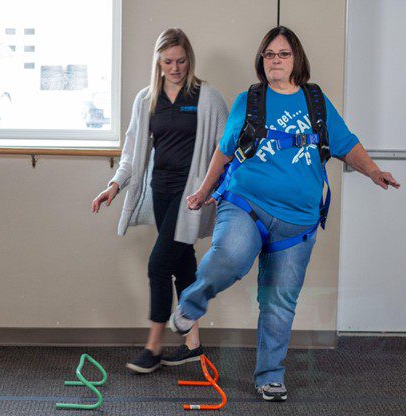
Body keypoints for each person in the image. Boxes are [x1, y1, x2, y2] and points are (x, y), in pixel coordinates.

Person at [169, 26, 400, 400]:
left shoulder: (316, 101)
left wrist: (374, 171)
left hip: (298, 223)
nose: (275, 60)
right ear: (262, 61)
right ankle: (192, 304)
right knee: (229, 256)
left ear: (297, 60)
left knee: (279, 302)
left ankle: (270, 376)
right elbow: (225, 150)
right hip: (247, 204)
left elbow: (345, 143)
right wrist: (203, 190)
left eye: (283, 54)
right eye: (269, 54)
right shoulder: (250, 99)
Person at [92, 28, 228, 374]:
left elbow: (224, 149)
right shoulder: (146, 100)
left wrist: (212, 190)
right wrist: (114, 186)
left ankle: (153, 347)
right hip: (161, 191)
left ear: (189, 60)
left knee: (158, 265)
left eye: (181, 60)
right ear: (158, 61)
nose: (175, 67)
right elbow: (132, 151)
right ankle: (194, 345)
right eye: (168, 61)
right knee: (182, 263)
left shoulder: (206, 97)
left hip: (191, 196)